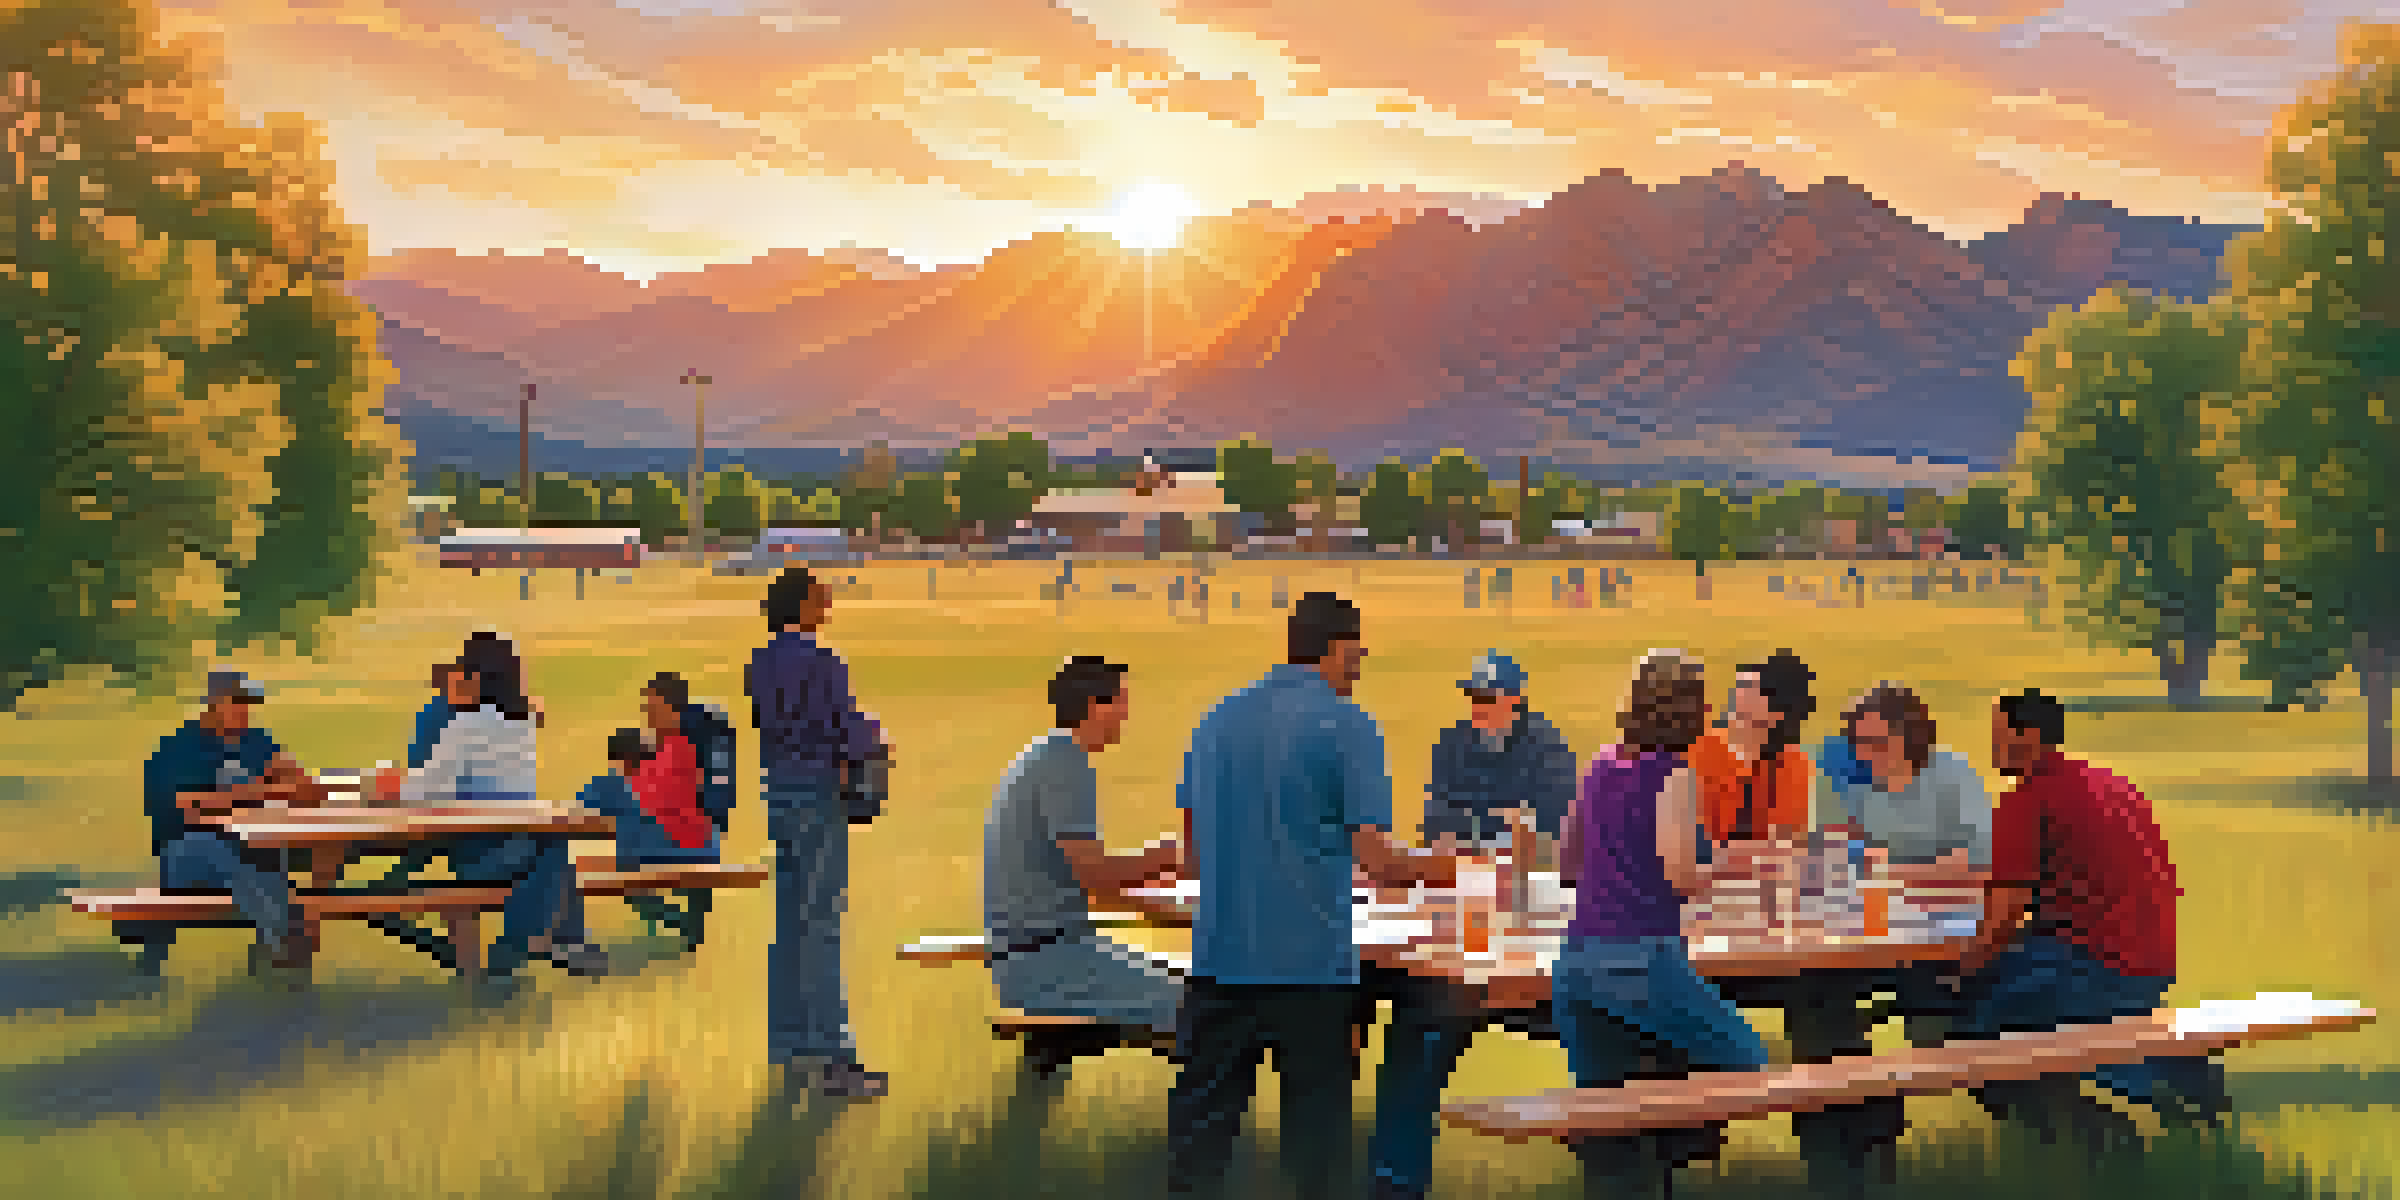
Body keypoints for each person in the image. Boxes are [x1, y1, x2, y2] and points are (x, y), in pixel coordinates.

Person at [1168, 592, 1463, 1199]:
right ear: (1339, 648)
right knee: (1315, 1153)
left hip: (1219, 963)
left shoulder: (1216, 718)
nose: (1358, 666)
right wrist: (1438, 868)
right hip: (1307, 970)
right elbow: (1377, 858)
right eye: (1356, 653)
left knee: (1198, 1152)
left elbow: (1191, 853)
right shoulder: (1347, 725)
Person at [1949, 689, 2229, 1152]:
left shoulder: (2027, 799)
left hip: (2092, 966)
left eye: (2000, 736)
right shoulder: (2111, 783)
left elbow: (2004, 914)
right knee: (2010, 1000)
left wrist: (1963, 968)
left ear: (2031, 736)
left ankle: (2099, 1131)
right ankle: (2164, 1077)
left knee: (1971, 1031)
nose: (1993, 747)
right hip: (2153, 965)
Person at [1551, 650, 1770, 1200]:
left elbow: (1566, 864)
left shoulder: (1600, 765)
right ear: (1693, 714)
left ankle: (1646, 1158)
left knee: (1609, 1104)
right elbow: (1681, 875)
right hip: (1640, 958)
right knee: (1749, 1060)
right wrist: (1729, 861)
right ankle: (1678, 1146)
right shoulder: (1674, 776)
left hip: (1576, 964)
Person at [1791, 684, 1994, 1196]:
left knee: (1900, 1014)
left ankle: (1863, 1128)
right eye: (1859, 742)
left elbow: (1981, 868)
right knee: (1818, 997)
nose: (1866, 754)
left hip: (1950, 934)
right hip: (1882, 928)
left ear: (1911, 737)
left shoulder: (1950, 773)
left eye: (1877, 742)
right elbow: (1835, 855)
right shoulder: (1861, 786)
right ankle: (1841, 1142)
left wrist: (1894, 875)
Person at [983, 656, 1186, 1078]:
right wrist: (1168, 856)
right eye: (1121, 702)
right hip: (1049, 963)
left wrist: (1160, 873)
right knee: (1206, 1007)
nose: (1127, 715)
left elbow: (1093, 880)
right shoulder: (1065, 764)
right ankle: (1201, 1132)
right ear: (1094, 705)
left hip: (1040, 953)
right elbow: (1097, 880)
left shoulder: (1044, 755)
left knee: (1187, 978)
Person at [384, 632, 608, 982]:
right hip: (522, 844)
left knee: (548, 852)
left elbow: (426, 793)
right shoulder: (524, 723)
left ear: (474, 675)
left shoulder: (465, 724)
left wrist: (390, 785)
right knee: (554, 851)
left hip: (481, 855)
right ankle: (557, 942)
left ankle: (517, 949)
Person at [748, 567, 890, 1100]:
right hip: (819, 793)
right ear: (803, 603)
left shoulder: (761, 659)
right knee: (823, 924)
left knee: (789, 924)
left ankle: (790, 1046)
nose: (828, 598)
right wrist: (875, 740)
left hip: (778, 793)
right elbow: (844, 728)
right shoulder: (822, 658)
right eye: (821, 592)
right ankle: (836, 1058)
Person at [133, 670, 319, 977]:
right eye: (238, 703)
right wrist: (264, 789)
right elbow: (190, 807)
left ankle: (276, 947)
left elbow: (305, 791)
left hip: (243, 847)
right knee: (213, 847)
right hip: (184, 854)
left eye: (249, 704)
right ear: (214, 704)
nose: (246, 711)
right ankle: (283, 937)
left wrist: (291, 772)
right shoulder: (182, 747)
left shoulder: (255, 740)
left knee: (273, 857)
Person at [1421, 650, 1579, 849]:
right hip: (1463, 863)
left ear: (1514, 701)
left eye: (1487, 699)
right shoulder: (1450, 746)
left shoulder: (1550, 751)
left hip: (1528, 868)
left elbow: (1556, 828)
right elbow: (1436, 823)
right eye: (1474, 697)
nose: (1478, 707)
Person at [1686, 649, 1819, 848]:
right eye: (1740, 685)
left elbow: (1788, 843)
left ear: (1777, 714)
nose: (1739, 694)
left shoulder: (1793, 764)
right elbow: (1687, 840)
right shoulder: (1699, 749)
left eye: (1752, 689)